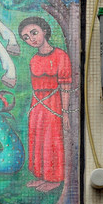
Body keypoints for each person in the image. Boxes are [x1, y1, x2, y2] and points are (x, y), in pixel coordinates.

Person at [18, 16, 71, 192]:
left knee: (52, 141)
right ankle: (41, 176)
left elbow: (65, 85)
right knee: (38, 140)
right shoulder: (33, 59)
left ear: (45, 31)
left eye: (34, 33)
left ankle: (54, 179)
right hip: (37, 106)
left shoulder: (60, 56)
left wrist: (65, 112)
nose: (31, 39)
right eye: (26, 37)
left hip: (53, 105)